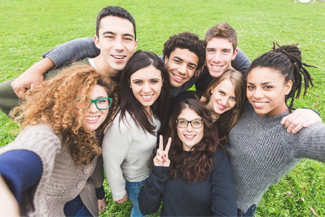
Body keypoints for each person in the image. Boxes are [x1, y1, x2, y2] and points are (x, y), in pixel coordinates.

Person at [0, 64, 118, 216]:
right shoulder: (50, 128)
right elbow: (36, 145)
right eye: (82, 100)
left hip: (83, 201)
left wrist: (99, 192)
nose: (93, 109)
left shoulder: (98, 128)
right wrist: (8, 174)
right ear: (66, 102)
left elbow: (93, 163)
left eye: (101, 101)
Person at [226, 43, 325, 216]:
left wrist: (314, 118)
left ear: (287, 87)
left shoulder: (294, 131)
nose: (256, 94)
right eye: (251, 86)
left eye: (268, 87)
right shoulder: (251, 105)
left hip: (236, 209)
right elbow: (227, 46)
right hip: (210, 190)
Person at [0, 5, 137, 116]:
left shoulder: (142, 75)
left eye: (127, 38)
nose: (119, 46)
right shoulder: (60, 79)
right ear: (97, 41)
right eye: (109, 37)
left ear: (135, 45)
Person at [138, 99, 237, 216]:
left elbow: (226, 212)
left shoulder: (217, 158)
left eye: (196, 122)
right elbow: (146, 208)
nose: (189, 129)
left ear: (204, 125)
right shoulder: (167, 155)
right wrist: (158, 172)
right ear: (175, 125)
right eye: (183, 122)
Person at [101, 50, 170, 217]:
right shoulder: (122, 124)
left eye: (154, 81)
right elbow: (111, 162)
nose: (147, 89)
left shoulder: (147, 107)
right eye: (138, 82)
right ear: (129, 83)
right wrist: (118, 193)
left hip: (150, 174)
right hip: (137, 182)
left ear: (162, 82)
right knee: (141, 212)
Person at [170, 69, 246, 144]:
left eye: (233, 98)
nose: (224, 102)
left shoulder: (227, 122)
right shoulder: (185, 99)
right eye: (222, 93)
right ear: (212, 88)